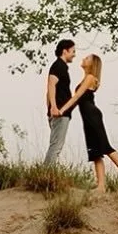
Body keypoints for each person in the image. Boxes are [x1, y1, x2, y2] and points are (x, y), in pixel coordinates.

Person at [57, 53, 118, 193]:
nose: (83, 58)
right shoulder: (86, 78)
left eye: (86, 58)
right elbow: (78, 101)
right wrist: (66, 113)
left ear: (92, 64)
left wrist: (61, 110)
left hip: (93, 116)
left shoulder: (90, 78)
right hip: (87, 117)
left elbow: (76, 97)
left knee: (106, 147)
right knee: (95, 152)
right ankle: (101, 186)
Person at [43, 39, 75, 167]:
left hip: (58, 112)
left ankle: (47, 174)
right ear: (65, 51)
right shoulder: (58, 66)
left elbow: (49, 91)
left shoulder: (61, 67)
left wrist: (49, 109)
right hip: (59, 113)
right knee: (56, 146)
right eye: (73, 51)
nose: (74, 54)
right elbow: (51, 85)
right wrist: (54, 108)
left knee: (56, 145)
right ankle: (46, 175)